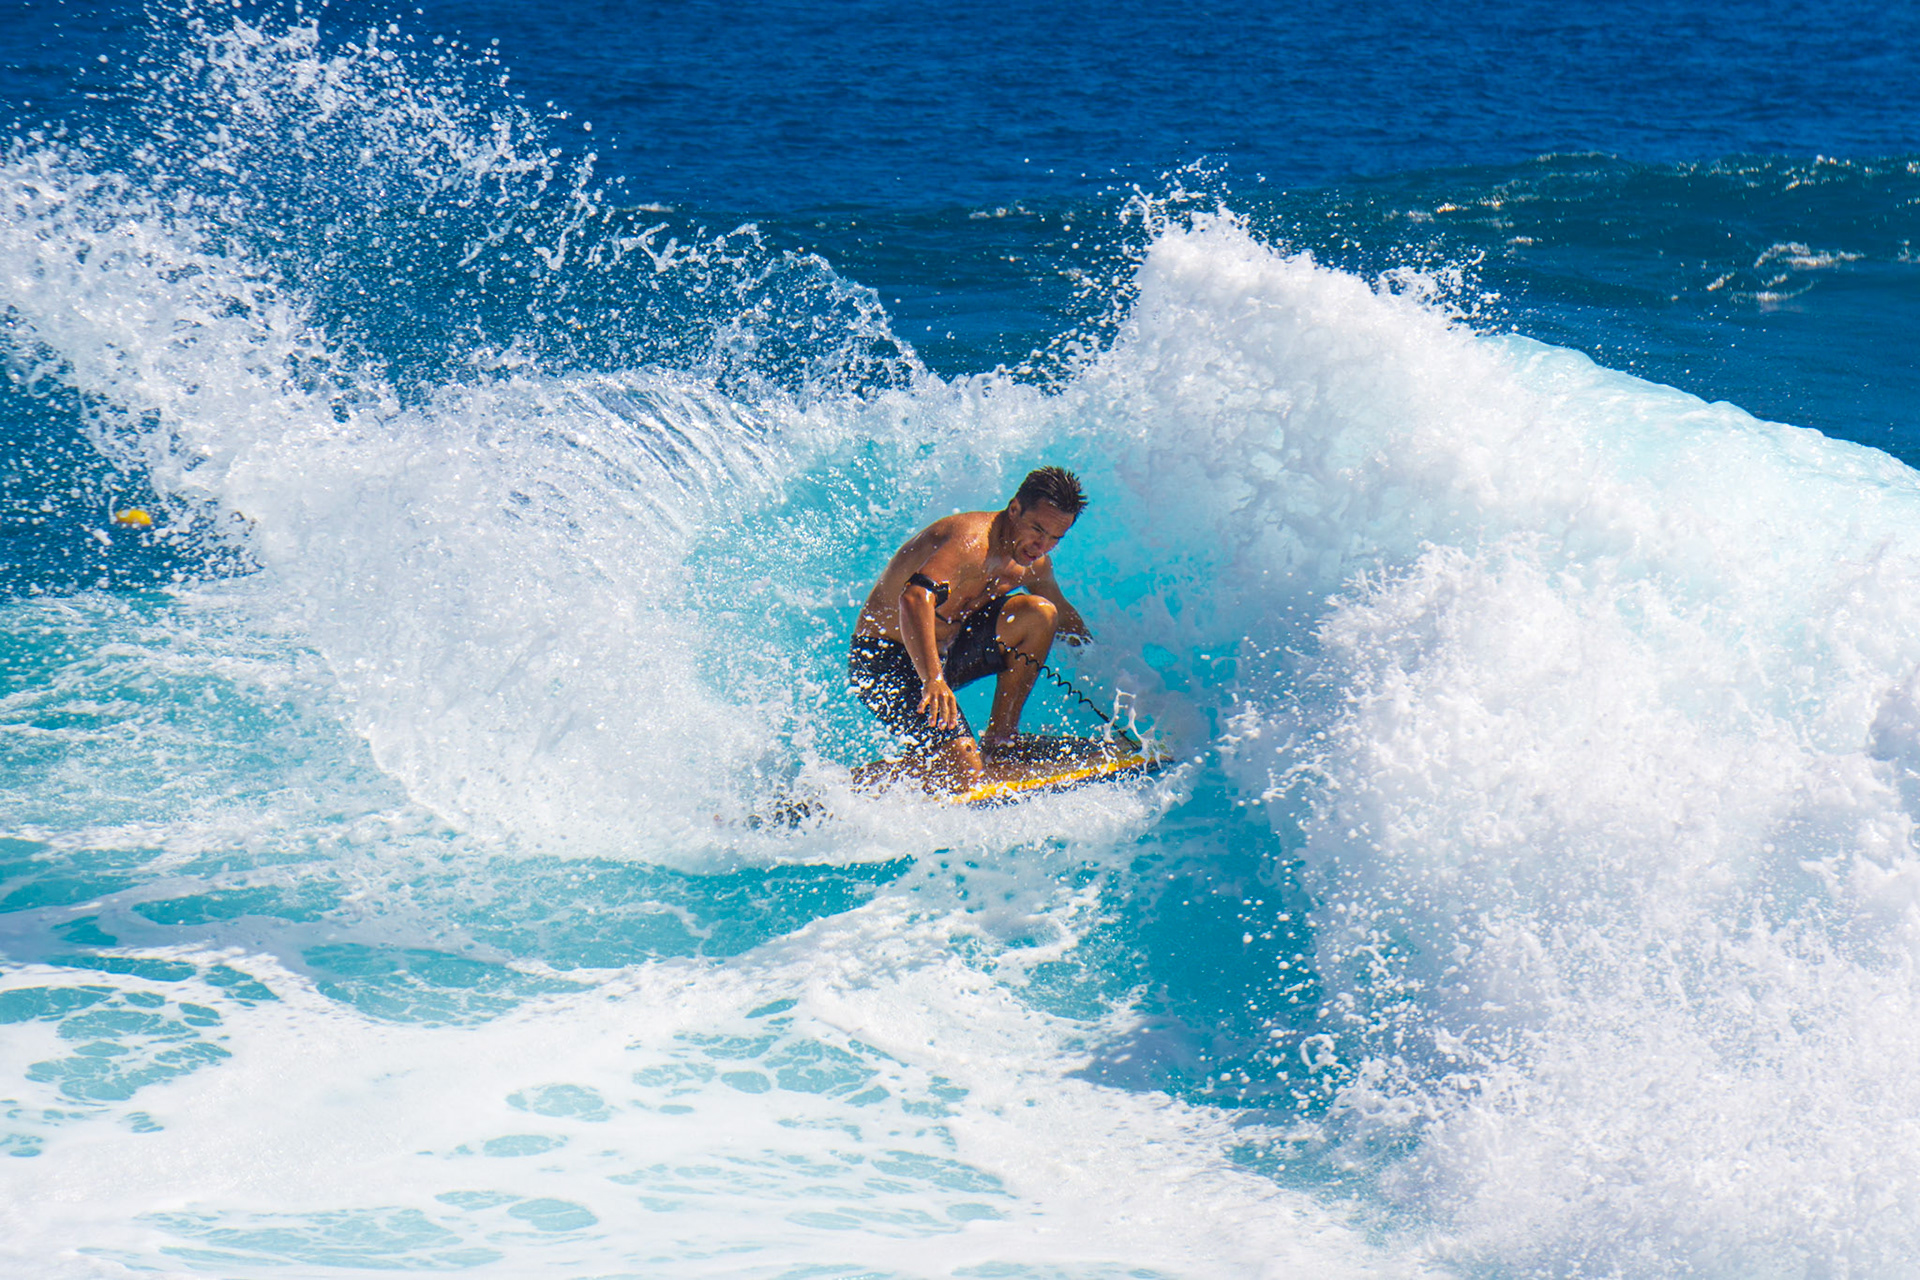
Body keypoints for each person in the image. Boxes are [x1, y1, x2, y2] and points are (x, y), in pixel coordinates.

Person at [849, 466, 1091, 792]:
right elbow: (914, 598)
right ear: (1014, 508)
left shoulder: (1033, 563)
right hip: (883, 662)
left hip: (946, 653)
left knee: (1040, 613)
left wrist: (1100, 660)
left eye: (1054, 538)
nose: (1041, 545)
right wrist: (933, 679)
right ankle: (845, 788)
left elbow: (1062, 614)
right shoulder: (969, 543)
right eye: (1037, 529)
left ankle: (1001, 740)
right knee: (963, 775)